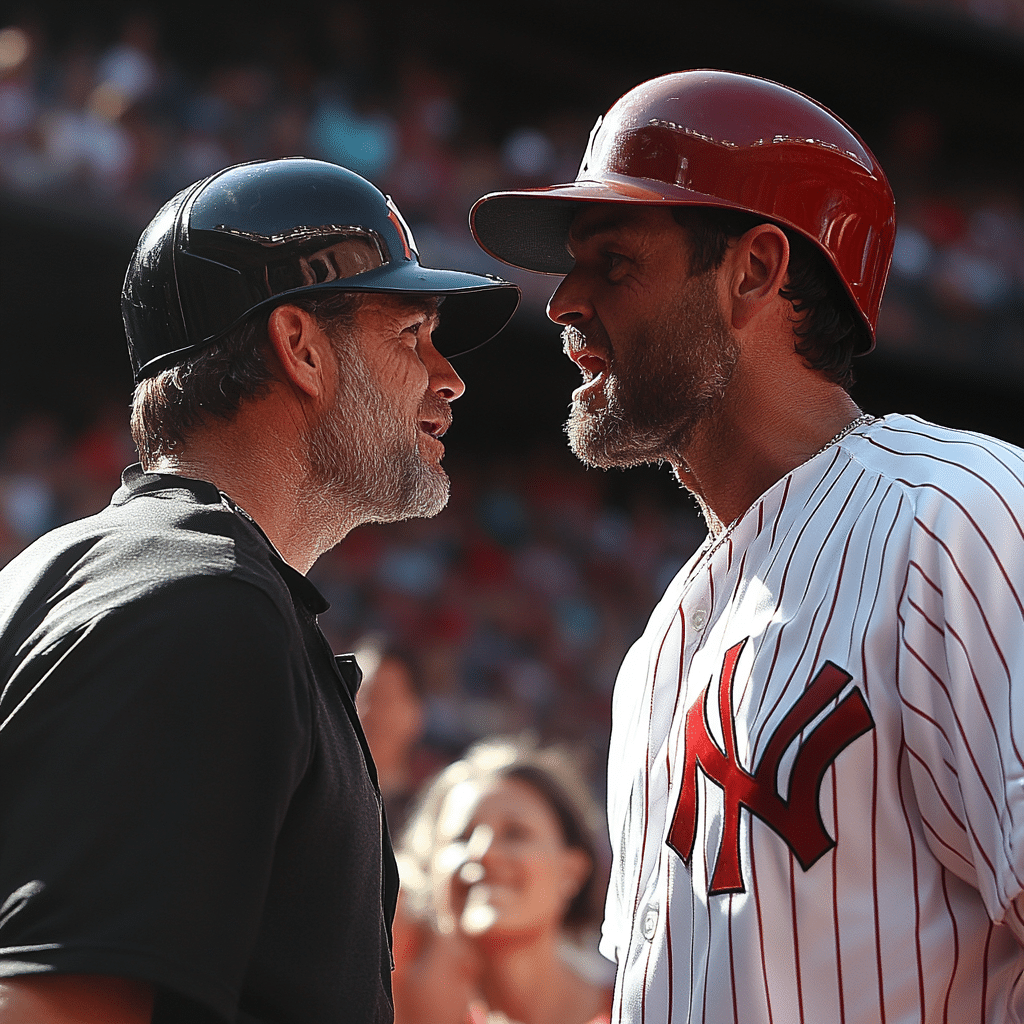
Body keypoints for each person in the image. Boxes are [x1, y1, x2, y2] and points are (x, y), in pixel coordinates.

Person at [469, 70, 1024, 1022]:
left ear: (757, 273)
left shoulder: (957, 511)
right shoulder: (658, 649)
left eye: (614, 262)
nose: (561, 302)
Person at [0, 157, 519, 1024]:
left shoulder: (101, 570)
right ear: (301, 347)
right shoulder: (198, 605)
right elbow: (52, 1007)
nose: (448, 376)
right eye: (410, 334)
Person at [396, 737, 613, 1024]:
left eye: (515, 833)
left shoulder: (641, 1010)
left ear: (572, 871)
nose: (483, 852)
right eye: (462, 836)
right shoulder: (397, 1006)